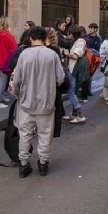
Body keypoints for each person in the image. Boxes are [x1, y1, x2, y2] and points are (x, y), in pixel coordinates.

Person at [13, 26, 65, 178]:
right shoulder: (52, 55)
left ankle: (23, 165)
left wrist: (17, 94)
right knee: (45, 135)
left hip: (26, 103)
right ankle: (43, 164)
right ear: (44, 38)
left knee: (25, 135)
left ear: (30, 38)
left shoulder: (24, 55)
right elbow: (60, 78)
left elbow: (16, 80)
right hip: (46, 103)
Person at [0, 16, 17, 109]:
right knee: (3, 80)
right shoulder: (9, 36)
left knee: (1, 79)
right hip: (5, 62)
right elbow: (14, 50)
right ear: (7, 25)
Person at [63, 25, 87, 123]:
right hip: (73, 69)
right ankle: (74, 114)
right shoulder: (78, 41)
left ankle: (80, 115)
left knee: (71, 92)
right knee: (73, 91)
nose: (69, 35)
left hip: (74, 69)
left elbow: (76, 55)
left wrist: (66, 54)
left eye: (70, 33)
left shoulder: (81, 41)